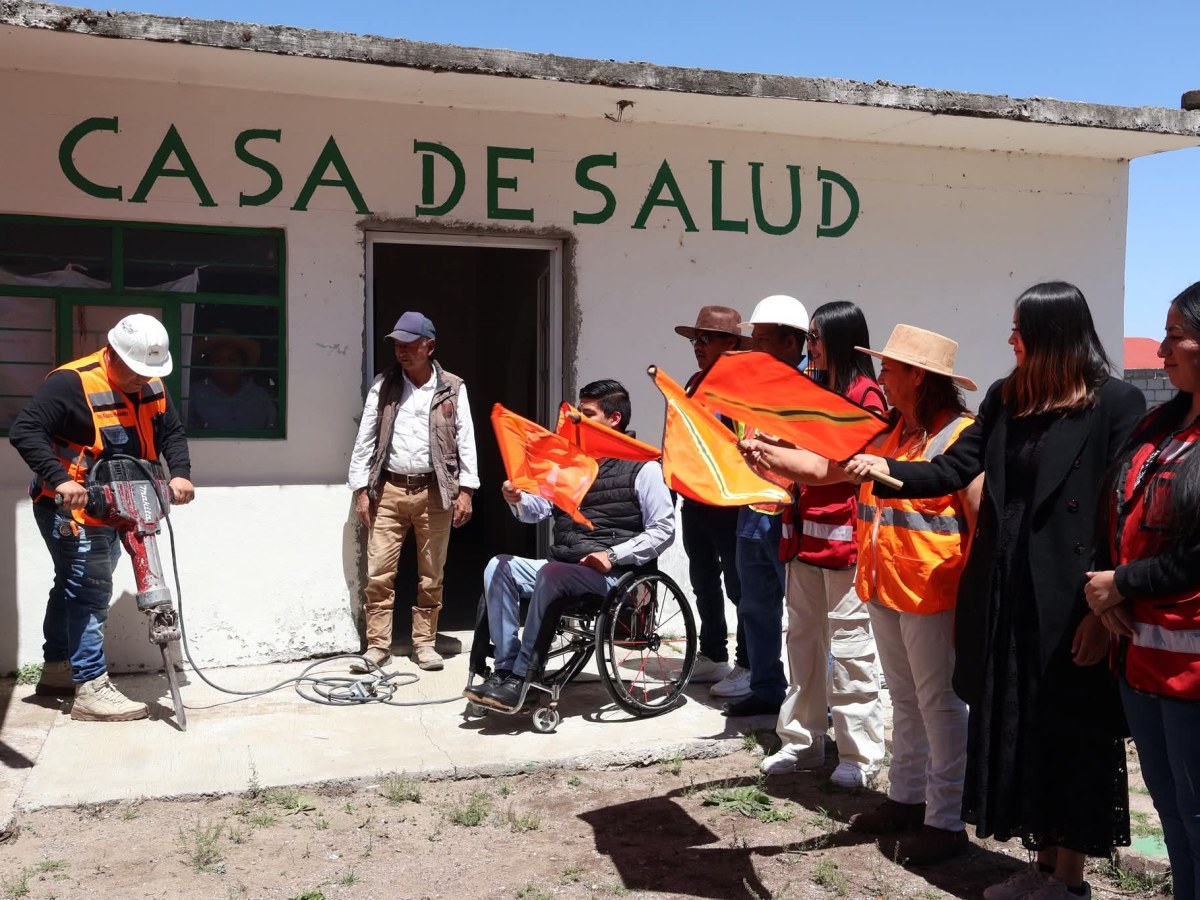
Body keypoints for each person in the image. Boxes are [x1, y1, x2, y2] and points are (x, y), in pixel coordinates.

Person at [846, 282, 1144, 900]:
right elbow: (956, 466)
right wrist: (890, 471)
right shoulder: (1010, 398)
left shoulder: (1116, 402)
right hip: (1009, 591)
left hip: (1074, 597)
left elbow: (1119, 509)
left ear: (1052, 335)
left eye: (1018, 329)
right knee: (1022, 728)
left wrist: (1106, 604)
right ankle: (1041, 867)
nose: (1009, 340)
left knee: (1069, 733)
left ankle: (1069, 877)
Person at [9, 313, 195, 722]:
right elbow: (26, 430)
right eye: (133, 371)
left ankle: (59, 669)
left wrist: (180, 473)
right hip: (74, 508)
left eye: (148, 372)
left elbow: (172, 433)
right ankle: (91, 686)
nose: (141, 380)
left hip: (126, 504)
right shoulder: (71, 382)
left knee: (74, 586)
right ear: (111, 353)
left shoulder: (151, 383)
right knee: (89, 589)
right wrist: (60, 480)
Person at [741, 301, 887, 790]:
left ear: (842, 338)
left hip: (845, 542)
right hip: (801, 538)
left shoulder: (866, 396)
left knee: (850, 651)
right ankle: (802, 742)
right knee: (801, 645)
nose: (810, 347)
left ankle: (859, 755)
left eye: (817, 337)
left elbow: (836, 468)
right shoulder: (814, 389)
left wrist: (771, 455)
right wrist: (763, 455)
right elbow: (796, 461)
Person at [1086, 280, 1200, 900]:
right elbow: (1121, 512)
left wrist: (1122, 583)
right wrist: (1112, 593)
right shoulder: (1161, 422)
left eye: (1175, 335)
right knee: (1174, 812)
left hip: (1193, 673)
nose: (1160, 350)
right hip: (1144, 660)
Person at [465, 379, 675, 712]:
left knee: (553, 575)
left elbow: (663, 530)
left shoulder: (644, 469)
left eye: (586, 413)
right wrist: (518, 499)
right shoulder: (571, 464)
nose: (575, 419)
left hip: (614, 575)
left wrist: (612, 554)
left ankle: (524, 675)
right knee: (498, 566)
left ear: (614, 419)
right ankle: (504, 667)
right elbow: (539, 511)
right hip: (565, 567)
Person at [347, 311, 479, 672]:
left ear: (429, 346)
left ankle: (424, 643)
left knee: (431, 573)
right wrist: (361, 489)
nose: (402, 351)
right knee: (379, 572)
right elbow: (366, 439)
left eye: (410, 344)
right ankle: (377, 647)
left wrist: (466, 490)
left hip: (435, 492)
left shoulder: (452, 387)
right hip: (388, 489)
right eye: (398, 345)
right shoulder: (385, 384)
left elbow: (465, 440)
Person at [722, 294, 808, 718]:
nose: (751, 347)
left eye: (761, 339)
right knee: (755, 607)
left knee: (806, 615)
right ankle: (766, 687)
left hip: (793, 515)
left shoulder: (812, 388)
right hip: (752, 509)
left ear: (791, 343)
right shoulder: (751, 386)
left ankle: (812, 699)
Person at [674, 305, 749, 689]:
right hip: (695, 499)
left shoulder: (743, 386)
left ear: (731, 342)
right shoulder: (693, 382)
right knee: (703, 579)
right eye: (694, 339)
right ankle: (714, 653)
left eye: (705, 339)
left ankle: (747, 664)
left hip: (731, 503)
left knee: (739, 586)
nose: (697, 346)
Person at [188, 328, 276, 431]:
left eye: (232, 360)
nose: (225, 365)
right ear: (208, 365)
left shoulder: (259, 395)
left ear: (242, 365)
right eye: (218, 360)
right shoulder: (194, 393)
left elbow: (273, 428)